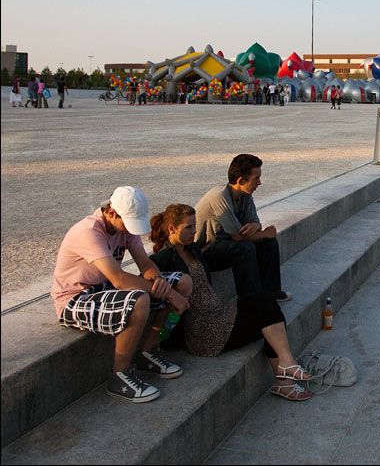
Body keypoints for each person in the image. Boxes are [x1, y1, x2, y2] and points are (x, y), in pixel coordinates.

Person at [149, 204, 314, 401]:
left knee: (267, 303)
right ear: (171, 229)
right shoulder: (163, 259)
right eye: (189, 227)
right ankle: (284, 378)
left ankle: (285, 370)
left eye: (195, 226)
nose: (195, 231)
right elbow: (158, 294)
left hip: (219, 312)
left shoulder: (192, 248)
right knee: (267, 313)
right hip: (203, 330)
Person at [51, 186, 192, 403]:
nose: (129, 229)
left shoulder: (123, 228)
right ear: (112, 212)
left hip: (105, 289)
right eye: (127, 223)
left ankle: (147, 352)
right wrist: (169, 296)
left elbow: (145, 263)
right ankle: (120, 376)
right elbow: (119, 278)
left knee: (182, 282)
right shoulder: (89, 232)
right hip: (75, 299)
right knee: (139, 300)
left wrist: (158, 280)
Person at [194, 154, 291, 303]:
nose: (260, 182)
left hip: (227, 244)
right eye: (256, 178)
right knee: (245, 248)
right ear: (241, 180)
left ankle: (271, 291)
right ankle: (250, 300)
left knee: (268, 243)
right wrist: (265, 232)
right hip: (205, 250)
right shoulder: (219, 196)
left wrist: (257, 226)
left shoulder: (245, 195)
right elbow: (237, 237)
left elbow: (254, 224)